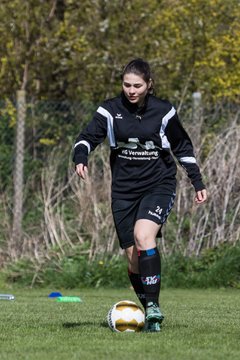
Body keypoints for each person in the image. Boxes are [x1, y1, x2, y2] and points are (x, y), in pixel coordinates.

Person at [73, 58, 207, 332]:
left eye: (137, 85)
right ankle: (149, 312)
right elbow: (86, 137)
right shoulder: (109, 111)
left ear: (149, 85)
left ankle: (154, 308)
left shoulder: (164, 111)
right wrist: (81, 156)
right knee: (133, 259)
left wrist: (197, 181)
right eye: (126, 85)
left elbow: (182, 147)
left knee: (144, 235)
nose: (131, 90)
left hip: (158, 184)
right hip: (123, 191)